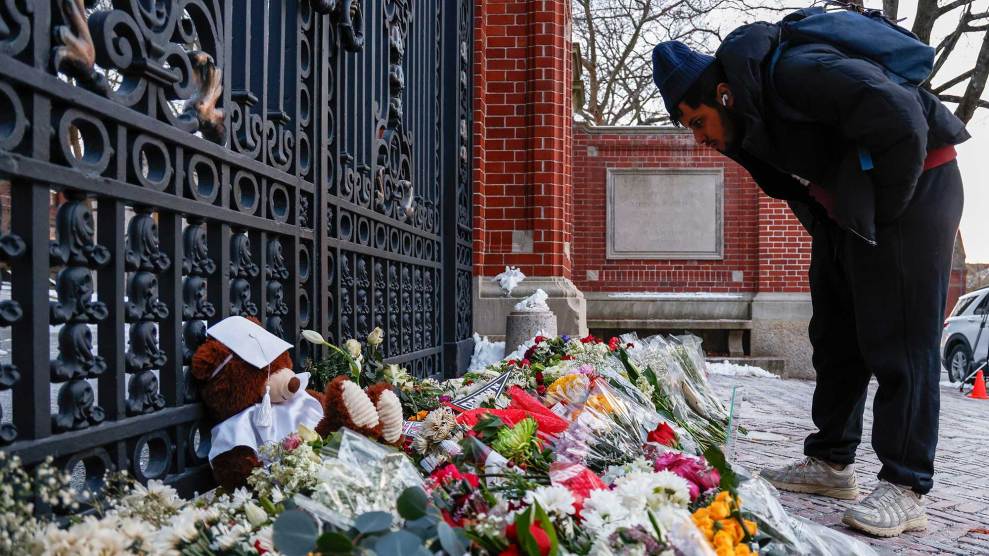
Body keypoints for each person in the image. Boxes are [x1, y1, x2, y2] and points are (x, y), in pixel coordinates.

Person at [651, 16, 968, 538]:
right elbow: (799, 184)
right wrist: (836, 226)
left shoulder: (795, 73)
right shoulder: (749, 128)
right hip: (852, 209)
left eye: (696, 121)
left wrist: (882, 215)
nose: (700, 138)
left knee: (900, 337)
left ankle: (907, 486)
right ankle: (831, 463)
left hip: (917, 187)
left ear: (723, 95)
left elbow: (903, 119)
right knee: (836, 332)